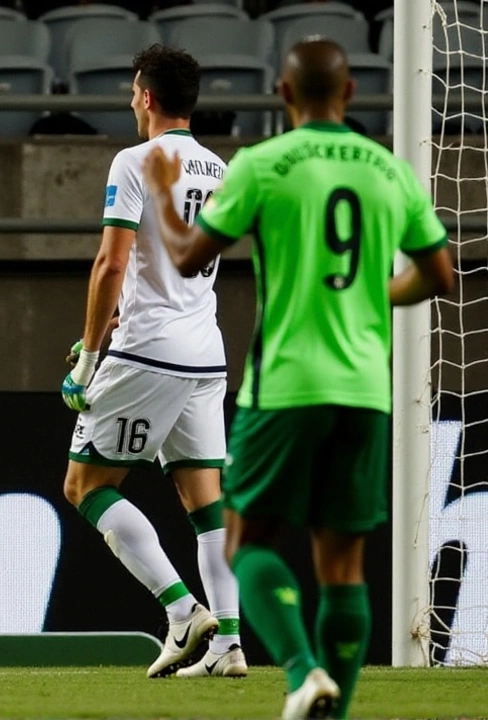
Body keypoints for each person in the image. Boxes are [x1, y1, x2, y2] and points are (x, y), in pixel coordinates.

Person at [143, 39, 455, 718]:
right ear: (349, 94)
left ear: (283, 96)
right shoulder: (388, 169)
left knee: (246, 542)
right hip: (366, 390)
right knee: (341, 567)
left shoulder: (263, 164)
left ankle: (303, 670)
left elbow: (192, 258)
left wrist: (167, 202)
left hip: (284, 386)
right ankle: (329, 710)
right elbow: (440, 276)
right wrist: (379, 293)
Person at [59, 44, 244, 681]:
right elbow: (177, 267)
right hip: (205, 351)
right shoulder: (221, 169)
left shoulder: (135, 159)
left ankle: (181, 610)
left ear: (145, 98)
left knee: (84, 487)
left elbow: (112, 261)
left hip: (148, 351)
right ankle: (231, 643)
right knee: (205, 504)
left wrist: (88, 358)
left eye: (132, 92)